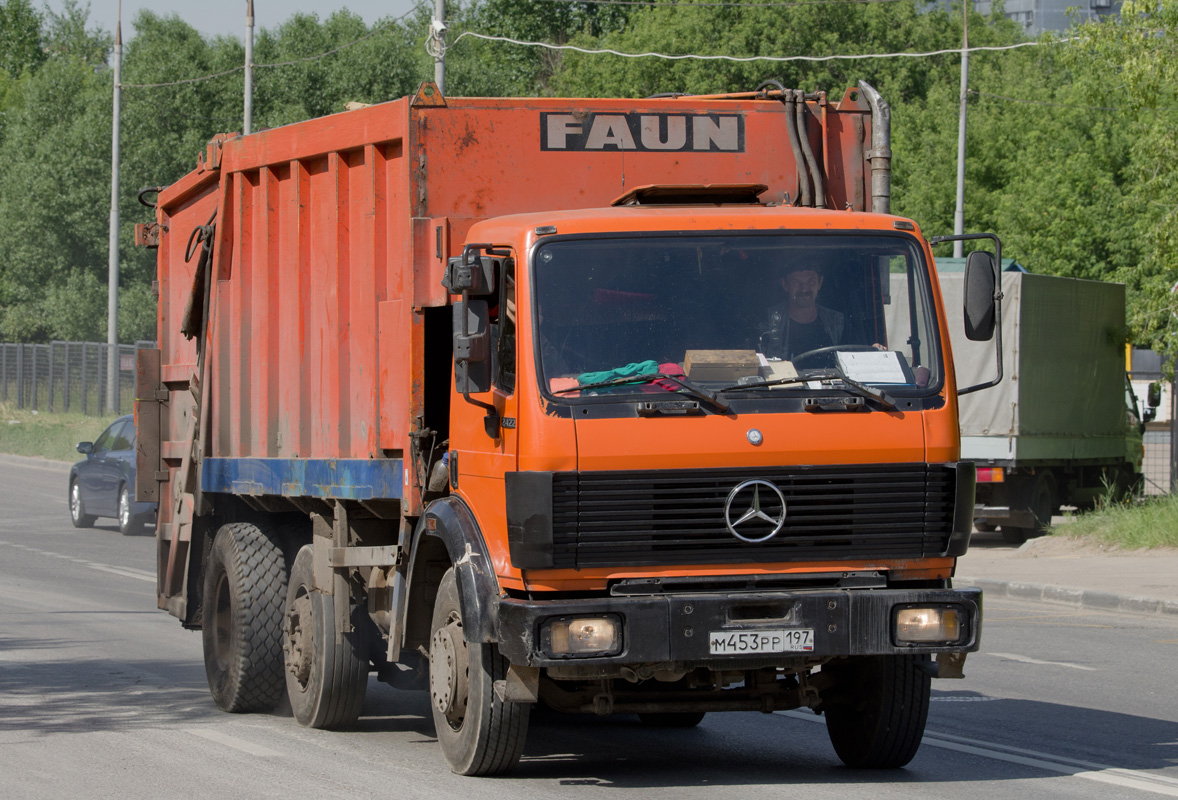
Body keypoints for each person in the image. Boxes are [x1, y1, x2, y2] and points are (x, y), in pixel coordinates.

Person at [761, 263, 845, 361]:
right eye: (796, 283)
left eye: (811, 282)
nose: (804, 289)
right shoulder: (768, 322)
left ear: (820, 283)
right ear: (785, 285)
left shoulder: (837, 322)